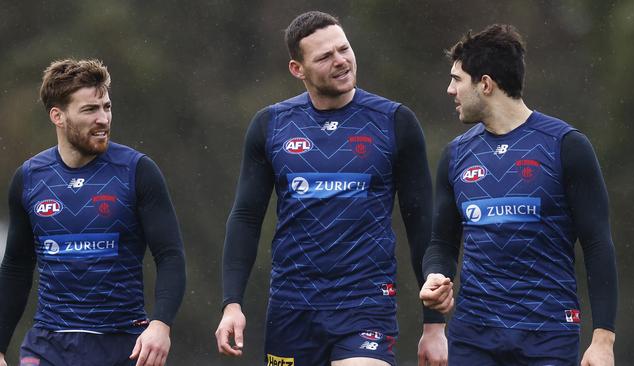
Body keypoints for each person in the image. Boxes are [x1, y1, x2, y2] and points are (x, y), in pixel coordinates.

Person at [215, 11, 444, 366]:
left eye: (344, 49)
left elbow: (421, 222)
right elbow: (245, 218)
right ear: (297, 69)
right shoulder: (270, 126)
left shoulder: (395, 122)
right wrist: (232, 303)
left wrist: (434, 326)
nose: (341, 61)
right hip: (292, 307)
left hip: (365, 302)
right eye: (324, 56)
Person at [419, 24, 618, 365]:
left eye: (457, 79)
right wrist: (436, 274)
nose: (449, 89)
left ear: (485, 84)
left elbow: (598, 244)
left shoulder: (566, 146)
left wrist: (603, 340)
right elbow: (442, 243)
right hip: (473, 335)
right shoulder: (455, 156)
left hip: (548, 335)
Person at [0, 59, 186, 366]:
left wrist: (160, 325)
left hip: (124, 345)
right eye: (90, 110)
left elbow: (170, 256)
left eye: (106, 107)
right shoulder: (29, 178)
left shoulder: (137, 171)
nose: (103, 119)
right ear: (57, 116)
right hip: (48, 346)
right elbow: (17, 267)